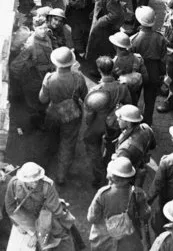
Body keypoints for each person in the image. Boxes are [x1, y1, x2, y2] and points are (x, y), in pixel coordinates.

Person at [39, 46, 88, 186]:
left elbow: (43, 99)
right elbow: (85, 96)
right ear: (71, 63)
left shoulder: (49, 78)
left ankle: (44, 164)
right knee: (68, 142)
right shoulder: (78, 77)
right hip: (72, 115)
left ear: (55, 63)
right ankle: (61, 176)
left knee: (50, 137)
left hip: (53, 114)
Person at [83, 56, 131, 188]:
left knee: (92, 145)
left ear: (99, 70)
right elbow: (128, 104)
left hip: (98, 123)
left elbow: (89, 114)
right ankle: (111, 167)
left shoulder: (96, 91)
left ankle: (99, 176)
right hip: (116, 122)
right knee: (112, 147)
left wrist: (89, 124)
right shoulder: (122, 87)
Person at [5, 162, 76, 251]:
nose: (35, 182)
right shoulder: (14, 184)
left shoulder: (47, 186)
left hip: (48, 218)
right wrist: (18, 224)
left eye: (37, 179)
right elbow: (10, 207)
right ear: (24, 180)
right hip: (27, 217)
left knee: (61, 238)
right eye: (31, 181)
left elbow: (49, 213)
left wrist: (37, 235)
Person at [87, 157, 151, 251]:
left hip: (104, 241)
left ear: (113, 176)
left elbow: (92, 218)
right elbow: (145, 215)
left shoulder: (103, 194)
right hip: (128, 241)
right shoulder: (138, 193)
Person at [130, 6, 165, 125]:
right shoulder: (160, 38)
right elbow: (163, 58)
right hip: (154, 72)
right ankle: (147, 123)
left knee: (134, 99)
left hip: (138, 72)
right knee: (150, 102)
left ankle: (133, 121)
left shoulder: (133, 39)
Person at [86, 0, 124, 66]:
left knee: (101, 48)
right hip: (100, 19)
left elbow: (114, 14)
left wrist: (99, 22)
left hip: (105, 27)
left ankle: (99, 68)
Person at [113, 104, 156, 187]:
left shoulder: (124, 150)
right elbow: (153, 146)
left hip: (128, 176)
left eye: (120, 118)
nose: (117, 119)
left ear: (128, 123)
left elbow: (119, 173)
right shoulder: (146, 128)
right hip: (140, 166)